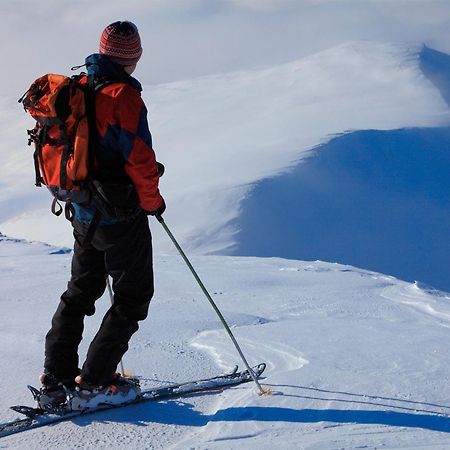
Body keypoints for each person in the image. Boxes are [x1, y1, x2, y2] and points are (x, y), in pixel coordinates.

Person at [38, 21, 165, 410]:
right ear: (134, 57)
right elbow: (138, 158)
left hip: (80, 210)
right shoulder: (121, 96)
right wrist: (152, 202)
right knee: (133, 296)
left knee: (80, 291)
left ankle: (56, 378)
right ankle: (94, 384)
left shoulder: (77, 86)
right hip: (117, 214)